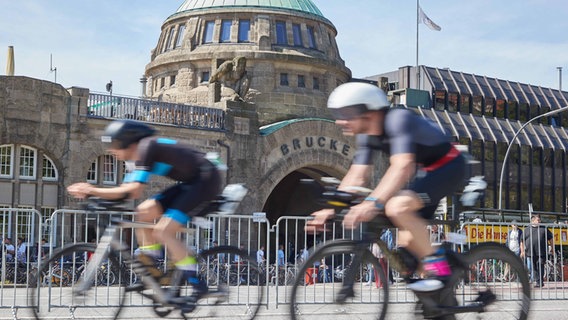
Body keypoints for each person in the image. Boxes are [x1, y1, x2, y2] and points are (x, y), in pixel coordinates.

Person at [306, 82, 467, 292]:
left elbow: (403, 166)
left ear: (367, 112)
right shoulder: (368, 136)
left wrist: (372, 203)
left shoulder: (398, 120)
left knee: (396, 208)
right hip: (426, 173)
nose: (339, 120)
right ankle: (438, 300)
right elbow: (357, 175)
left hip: (449, 167)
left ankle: (443, 271)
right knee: (408, 242)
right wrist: (331, 208)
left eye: (346, 113)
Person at [67, 119, 221, 304]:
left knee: (164, 231)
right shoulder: (134, 159)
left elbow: (133, 191)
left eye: (114, 146)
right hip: (190, 182)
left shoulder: (147, 147)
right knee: (143, 211)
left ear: (127, 142)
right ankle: (153, 269)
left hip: (206, 178)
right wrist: (97, 199)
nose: (111, 151)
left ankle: (198, 284)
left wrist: (91, 190)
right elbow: (124, 195)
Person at [520, 214, 553, 288]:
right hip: (530, 252)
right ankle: (538, 281)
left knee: (540, 265)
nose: (539, 221)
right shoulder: (527, 229)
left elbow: (550, 238)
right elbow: (522, 241)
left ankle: (540, 281)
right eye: (538, 220)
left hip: (542, 252)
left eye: (539, 220)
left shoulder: (544, 228)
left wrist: (552, 248)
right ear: (533, 221)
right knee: (534, 267)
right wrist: (522, 251)